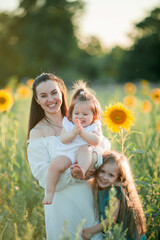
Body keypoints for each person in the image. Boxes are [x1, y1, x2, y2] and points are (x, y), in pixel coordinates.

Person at [27, 73, 111, 240]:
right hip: (61, 207)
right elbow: (44, 178)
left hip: (88, 199)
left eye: (54, 93)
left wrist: (93, 160)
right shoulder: (37, 133)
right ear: (37, 100)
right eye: (43, 96)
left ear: (62, 93)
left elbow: (104, 144)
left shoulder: (78, 116)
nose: (50, 99)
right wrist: (77, 175)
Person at [43, 80, 103, 205]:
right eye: (76, 113)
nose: (80, 117)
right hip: (66, 154)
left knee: (85, 151)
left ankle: (81, 170)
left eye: (85, 114)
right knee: (54, 165)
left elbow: (96, 141)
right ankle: (49, 192)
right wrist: (74, 132)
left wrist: (83, 133)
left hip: (82, 153)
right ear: (71, 113)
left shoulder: (94, 126)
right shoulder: (69, 124)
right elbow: (64, 139)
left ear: (94, 115)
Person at [81, 151, 147, 240]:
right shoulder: (101, 187)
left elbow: (111, 218)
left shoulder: (115, 192)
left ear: (118, 179)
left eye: (111, 175)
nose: (104, 177)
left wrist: (91, 231)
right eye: (102, 171)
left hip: (122, 234)